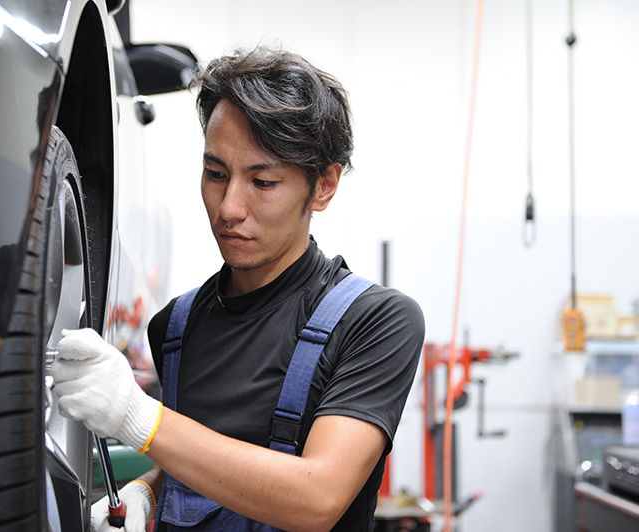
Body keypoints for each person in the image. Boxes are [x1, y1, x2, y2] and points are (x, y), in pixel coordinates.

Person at [51, 45, 424, 532]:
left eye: (263, 182)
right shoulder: (176, 327)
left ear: (324, 186)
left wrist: (135, 416)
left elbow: (317, 496)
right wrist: (147, 489)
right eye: (215, 174)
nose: (228, 208)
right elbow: (209, 458)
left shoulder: (375, 322)